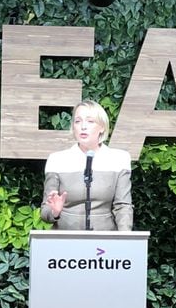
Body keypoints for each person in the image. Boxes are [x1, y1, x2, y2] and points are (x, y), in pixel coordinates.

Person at [41, 99, 132, 231]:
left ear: (102, 127)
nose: (83, 126)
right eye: (78, 121)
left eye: (90, 121)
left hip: (105, 243)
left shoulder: (119, 158)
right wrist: (54, 211)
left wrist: (125, 240)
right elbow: (45, 212)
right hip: (65, 241)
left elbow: (123, 206)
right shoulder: (57, 159)